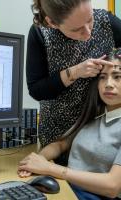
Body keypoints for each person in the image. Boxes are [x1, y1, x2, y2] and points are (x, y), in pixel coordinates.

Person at [19, 48, 121, 199]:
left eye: (117, 76)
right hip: (65, 188)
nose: (108, 84)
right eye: (102, 77)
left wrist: (49, 168)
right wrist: (37, 160)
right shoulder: (95, 115)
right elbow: (60, 145)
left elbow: (112, 187)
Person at [27, 0, 121, 163]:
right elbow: (37, 90)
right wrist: (76, 72)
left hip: (101, 134)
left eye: (90, 20)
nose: (88, 33)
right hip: (58, 136)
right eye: (77, 29)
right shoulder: (40, 33)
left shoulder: (107, 22)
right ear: (53, 22)